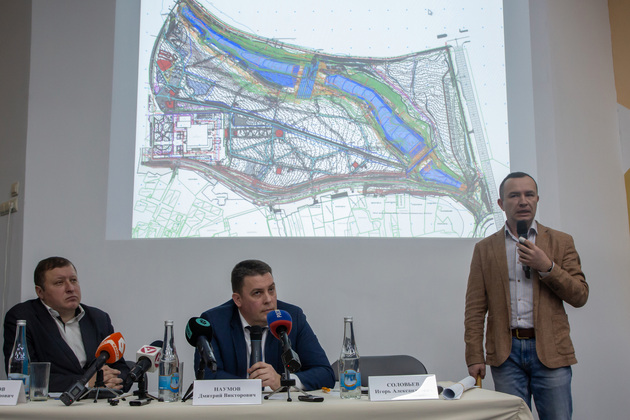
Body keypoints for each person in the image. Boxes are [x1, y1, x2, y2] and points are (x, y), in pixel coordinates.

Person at [464, 172, 589, 419]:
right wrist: (474, 355)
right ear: (501, 203)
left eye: (529, 194)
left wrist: (547, 267)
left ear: (537, 199)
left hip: (552, 351)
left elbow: (580, 295)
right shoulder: (485, 249)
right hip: (505, 354)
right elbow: (475, 309)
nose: (523, 201)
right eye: (514, 196)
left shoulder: (561, 242)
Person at [196, 259, 335, 391]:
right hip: (234, 406)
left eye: (271, 290)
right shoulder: (215, 322)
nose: (268, 300)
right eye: (257, 293)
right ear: (238, 299)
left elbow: (325, 373)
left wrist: (282, 381)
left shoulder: (292, 317)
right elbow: (208, 376)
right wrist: (250, 389)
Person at [3, 256, 129, 392]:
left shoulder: (99, 318)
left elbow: (121, 368)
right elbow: (23, 374)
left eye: (73, 280)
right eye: (59, 283)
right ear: (40, 292)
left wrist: (110, 380)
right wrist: (86, 382)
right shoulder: (23, 318)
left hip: (98, 402)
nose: (70, 288)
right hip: (52, 403)